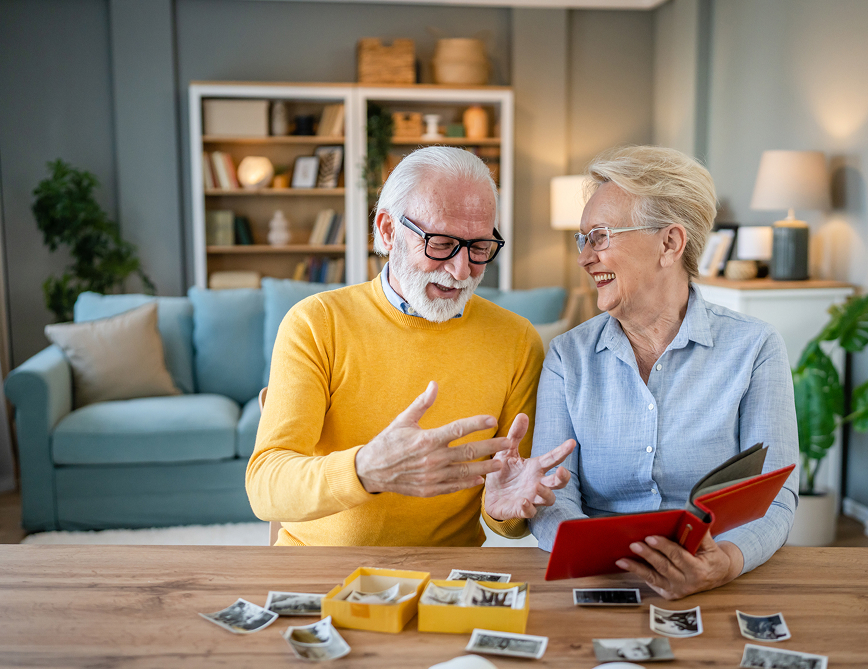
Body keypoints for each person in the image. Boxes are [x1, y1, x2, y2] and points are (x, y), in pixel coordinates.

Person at [247, 146, 576, 546]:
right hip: (320, 569)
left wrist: (502, 507)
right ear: (387, 231)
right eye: (441, 244)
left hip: (448, 577)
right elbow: (265, 485)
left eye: (479, 248)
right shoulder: (316, 323)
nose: (460, 270)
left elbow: (508, 505)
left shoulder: (518, 340)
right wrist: (367, 469)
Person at [529, 144, 799, 600]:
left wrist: (726, 561)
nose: (584, 257)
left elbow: (775, 492)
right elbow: (554, 494)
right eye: (583, 239)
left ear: (670, 243)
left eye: (600, 236)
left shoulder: (755, 348)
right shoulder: (566, 357)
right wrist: (598, 554)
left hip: (716, 582)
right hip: (597, 580)